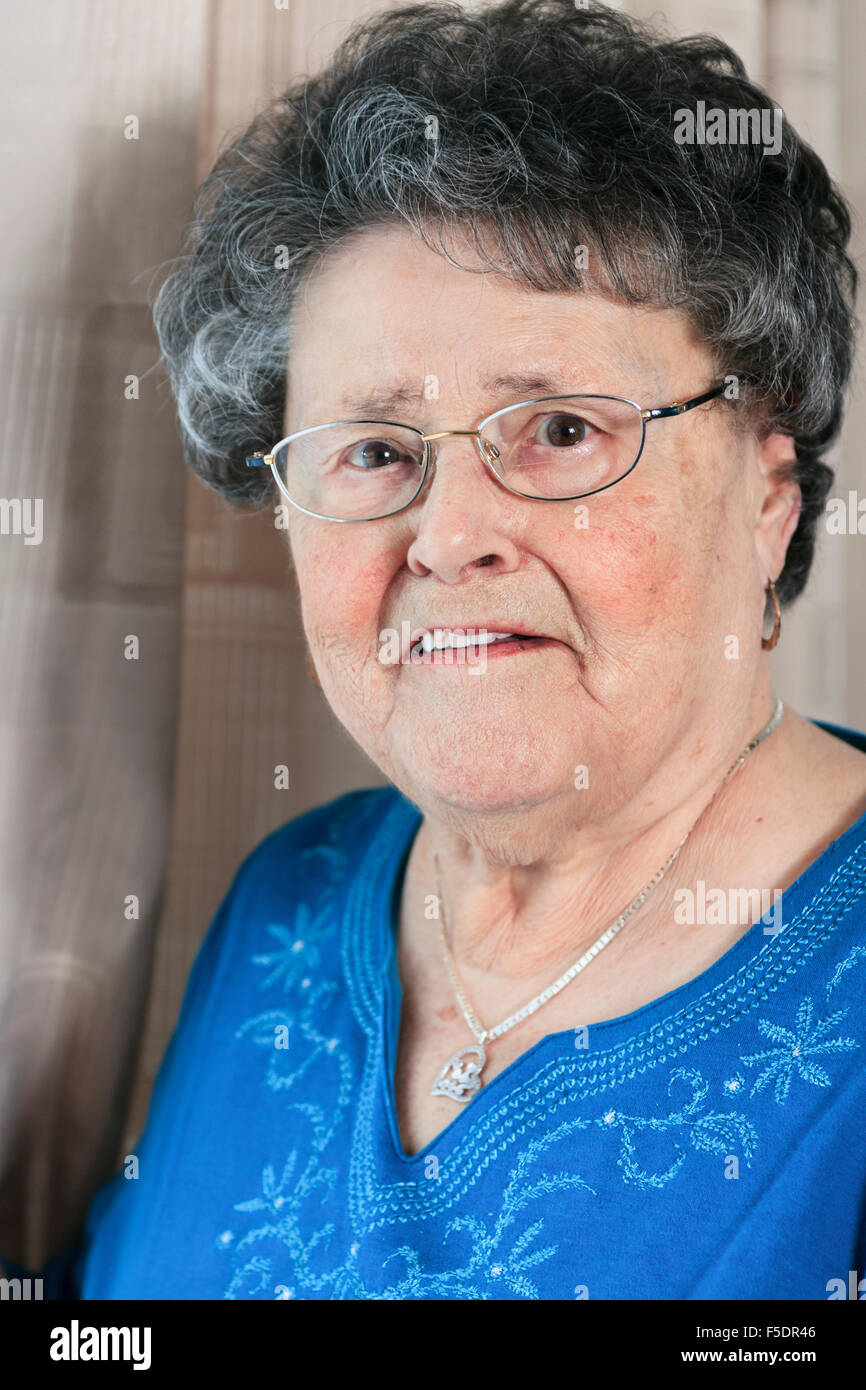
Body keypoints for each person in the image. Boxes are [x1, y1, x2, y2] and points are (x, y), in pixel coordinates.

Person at [23, 0, 866, 1299]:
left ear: (769, 498)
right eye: (372, 451)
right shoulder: (287, 898)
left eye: (562, 431)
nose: (449, 535)